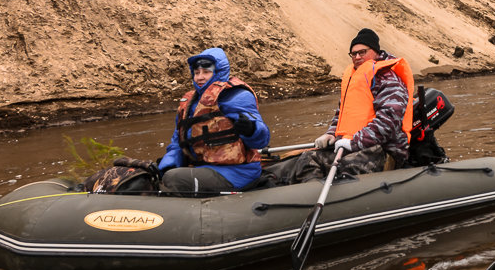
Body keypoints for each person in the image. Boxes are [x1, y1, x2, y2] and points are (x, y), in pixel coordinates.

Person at [294, 28, 414, 181]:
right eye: (353, 54)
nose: (357, 57)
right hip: (353, 144)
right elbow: (342, 115)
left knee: (345, 168)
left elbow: (388, 121)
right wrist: (331, 133)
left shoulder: (388, 79)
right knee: (307, 159)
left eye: (362, 52)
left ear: (375, 52)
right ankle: (311, 195)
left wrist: (355, 142)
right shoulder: (353, 78)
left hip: (382, 149)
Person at [157, 47, 270, 193]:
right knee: (162, 175)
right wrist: (168, 164)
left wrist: (251, 130)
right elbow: (177, 142)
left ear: (218, 72)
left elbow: (261, 139)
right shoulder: (190, 103)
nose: (200, 77)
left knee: (174, 178)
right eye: (196, 73)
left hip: (237, 172)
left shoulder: (236, 96)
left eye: (206, 72)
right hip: (203, 168)